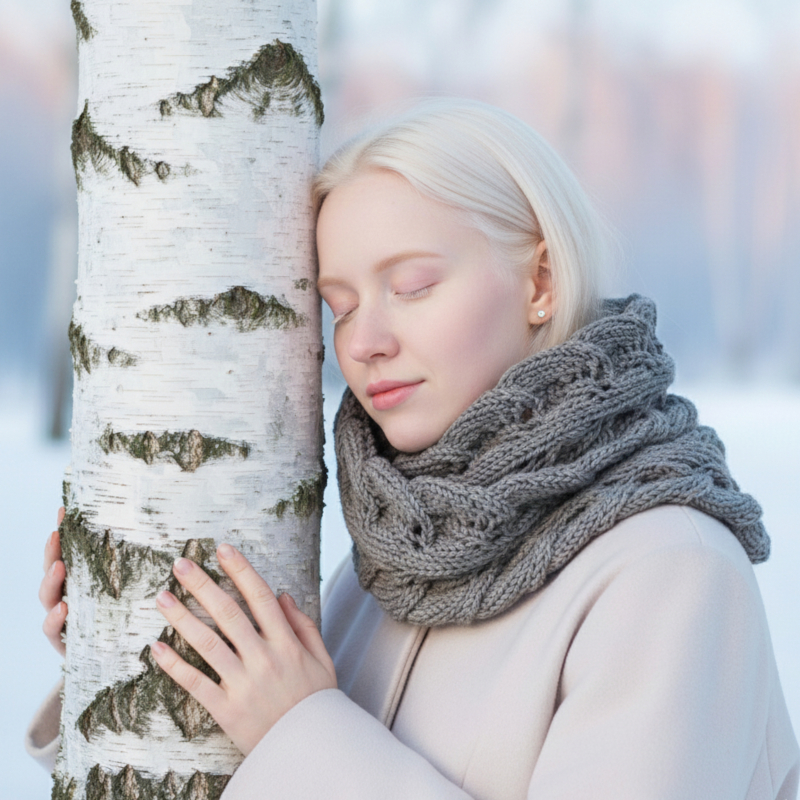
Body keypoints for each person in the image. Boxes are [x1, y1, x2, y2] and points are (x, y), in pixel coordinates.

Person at [28, 98, 799, 799]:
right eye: (341, 305)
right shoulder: (396, 551)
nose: (363, 341)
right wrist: (135, 653)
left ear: (540, 281)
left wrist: (301, 733)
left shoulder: (670, 571)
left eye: (414, 286)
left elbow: (303, 749)